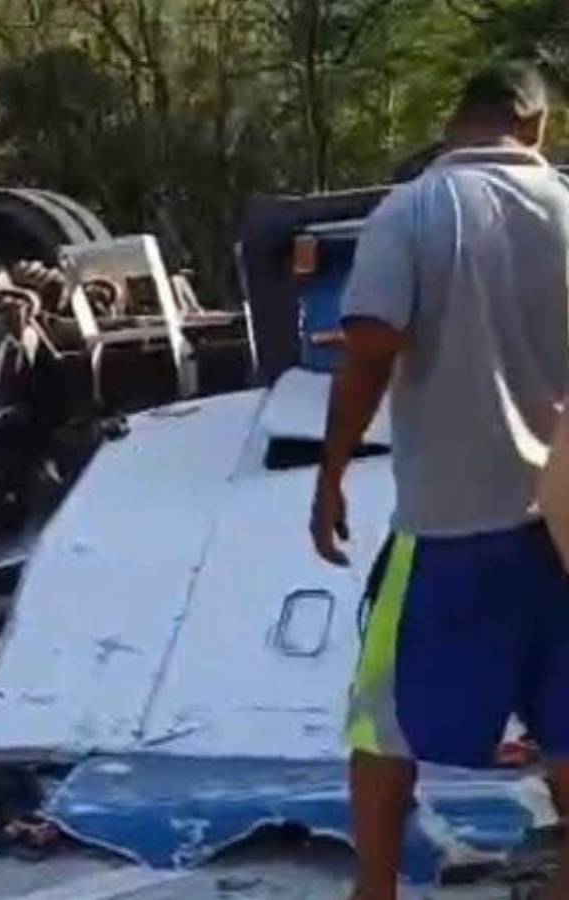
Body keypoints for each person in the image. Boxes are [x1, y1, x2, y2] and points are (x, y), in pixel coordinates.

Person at [310, 61, 569, 900]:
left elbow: (374, 343)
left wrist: (332, 473)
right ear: (535, 127)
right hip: (560, 528)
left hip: (450, 527)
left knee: (382, 724)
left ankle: (375, 892)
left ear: (459, 119)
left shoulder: (416, 208)